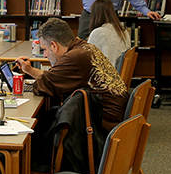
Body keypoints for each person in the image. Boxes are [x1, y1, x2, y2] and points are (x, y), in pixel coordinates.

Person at [15, 18, 129, 154]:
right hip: (111, 114)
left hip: (100, 123)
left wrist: (33, 80)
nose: (45, 55)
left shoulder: (74, 57)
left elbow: (43, 85)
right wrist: (30, 70)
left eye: (45, 50)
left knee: (36, 128)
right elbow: (54, 77)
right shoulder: (84, 47)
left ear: (54, 46)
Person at [85, 0, 129, 69]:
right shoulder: (124, 32)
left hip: (104, 77)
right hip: (117, 76)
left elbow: (87, 60)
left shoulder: (98, 32)